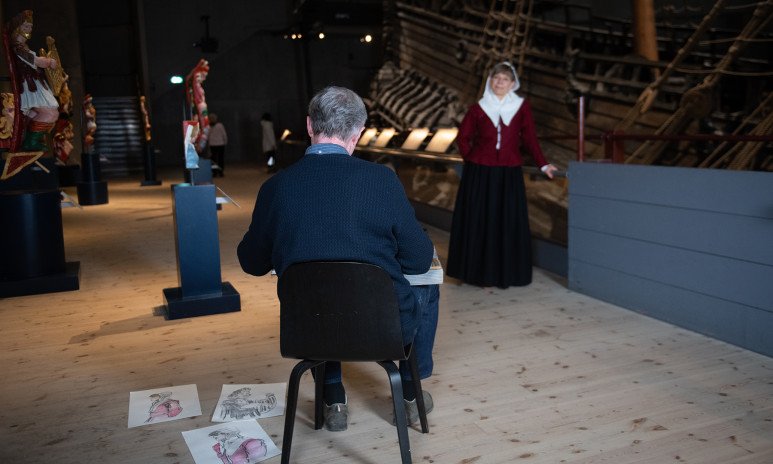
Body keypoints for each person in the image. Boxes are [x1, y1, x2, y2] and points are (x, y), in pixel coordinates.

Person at [238, 86, 440, 432]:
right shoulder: (382, 181)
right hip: (383, 329)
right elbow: (419, 261)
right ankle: (410, 393)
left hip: (306, 330)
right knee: (427, 286)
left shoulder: (276, 187)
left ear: (308, 125)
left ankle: (332, 399)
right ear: (359, 132)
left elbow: (252, 263)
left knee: (323, 297)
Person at [446, 61, 557, 289]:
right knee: (479, 221)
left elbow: (530, 139)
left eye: (505, 79)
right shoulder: (478, 108)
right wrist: (473, 159)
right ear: (490, 81)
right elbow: (462, 138)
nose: (500, 82)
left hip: (508, 173)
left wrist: (544, 165)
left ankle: (504, 273)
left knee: (505, 221)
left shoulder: (521, 107)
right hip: (480, 173)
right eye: (496, 78)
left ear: (512, 84)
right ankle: (476, 274)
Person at [7, 10, 60, 151]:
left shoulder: (23, 46)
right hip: (29, 86)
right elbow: (35, 60)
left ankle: (26, 139)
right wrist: (49, 62)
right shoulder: (18, 47)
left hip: (34, 83)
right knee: (50, 113)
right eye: (25, 27)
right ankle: (31, 142)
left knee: (34, 114)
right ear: (18, 28)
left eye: (30, 27)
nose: (28, 30)